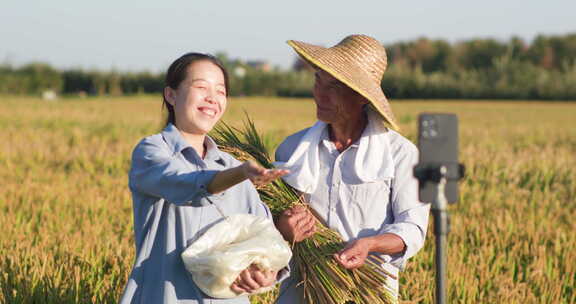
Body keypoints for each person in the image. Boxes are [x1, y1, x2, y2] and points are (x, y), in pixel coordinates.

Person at [120, 52, 289, 304]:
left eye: (220, 91)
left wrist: (265, 272)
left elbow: (265, 237)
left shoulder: (232, 166)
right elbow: (185, 184)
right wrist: (239, 174)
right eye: (201, 87)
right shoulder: (152, 152)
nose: (212, 98)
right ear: (171, 95)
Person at [274, 35, 431, 303]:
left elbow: (413, 228)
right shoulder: (292, 150)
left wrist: (370, 244)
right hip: (302, 291)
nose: (319, 94)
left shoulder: (400, 155)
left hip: (368, 291)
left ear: (361, 96)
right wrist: (282, 225)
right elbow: (270, 222)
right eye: (317, 80)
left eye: (333, 86)